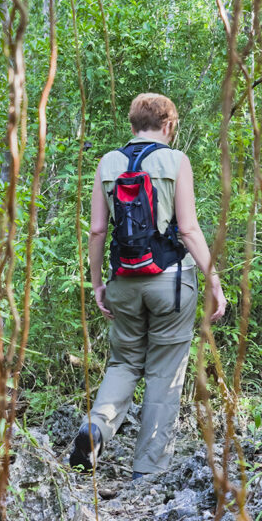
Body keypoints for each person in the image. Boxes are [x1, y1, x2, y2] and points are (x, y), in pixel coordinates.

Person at [70, 93, 227, 480]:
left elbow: (96, 230)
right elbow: (188, 229)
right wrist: (214, 283)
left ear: (132, 124)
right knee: (164, 373)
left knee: (123, 362)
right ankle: (148, 470)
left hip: (123, 280)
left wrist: (97, 285)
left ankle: (97, 428)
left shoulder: (108, 162)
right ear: (169, 125)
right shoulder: (176, 161)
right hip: (172, 284)